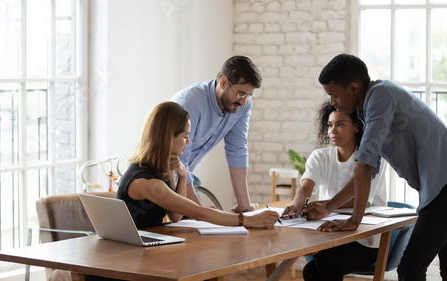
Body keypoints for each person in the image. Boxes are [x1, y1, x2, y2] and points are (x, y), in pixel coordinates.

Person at [303, 53, 447, 281]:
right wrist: (329, 207)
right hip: (439, 187)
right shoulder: (367, 109)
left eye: (334, 95)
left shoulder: (380, 96)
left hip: (443, 189)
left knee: (410, 269)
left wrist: (354, 221)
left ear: (353, 88)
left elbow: (363, 167)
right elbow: (368, 172)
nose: (332, 102)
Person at [115, 101, 279, 229]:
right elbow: (197, 212)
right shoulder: (146, 181)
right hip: (128, 255)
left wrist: (183, 175)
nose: (189, 141)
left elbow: (176, 216)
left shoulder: (165, 167)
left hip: (150, 243)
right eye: (185, 136)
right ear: (168, 138)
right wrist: (249, 220)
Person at [282, 100, 387, 281]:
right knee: (313, 269)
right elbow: (306, 187)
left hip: (364, 239)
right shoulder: (320, 156)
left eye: (340, 124)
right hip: (331, 234)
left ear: (357, 127)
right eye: (330, 125)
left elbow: (359, 199)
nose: (333, 131)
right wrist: (296, 206)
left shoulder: (372, 158)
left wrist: (325, 206)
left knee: (316, 266)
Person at [171, 56, 262, 213]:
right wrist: (203, 213)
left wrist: (244, 206)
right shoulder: (189, 102)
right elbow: (179, 160)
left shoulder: (241, 105)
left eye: (249, 96)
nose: (243, 102)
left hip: (185, 176)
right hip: (162, 176)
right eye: (241, 94)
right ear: (224, 82)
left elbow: (237, 149)